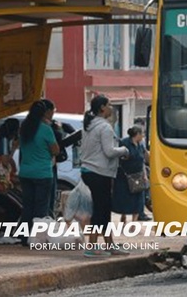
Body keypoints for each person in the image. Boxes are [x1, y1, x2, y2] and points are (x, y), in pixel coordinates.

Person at [80, 95, 129, 257]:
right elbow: (109, 151)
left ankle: (109, 245)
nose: (111, 108)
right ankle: (91, 246)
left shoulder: (89, 125)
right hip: (99, 173)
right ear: (102, 108)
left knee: (104, 209)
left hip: (89, 171)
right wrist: (124, 150)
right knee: (101, 210)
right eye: (109, 105)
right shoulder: (105, 127)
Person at [19, 101, 60, 246]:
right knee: (41, 208)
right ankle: (37, 240)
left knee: (27, 206)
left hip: (25, 172)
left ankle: (24, 238)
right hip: (42, 173)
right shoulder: (46, 129)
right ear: (44, 113)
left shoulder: (24, 127)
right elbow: (55, 150)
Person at [112, 125, 146, 224]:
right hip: (124, 176)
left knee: (138, 199)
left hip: (138, 175)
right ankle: (124, 216)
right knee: (124, 198)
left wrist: (144, 174)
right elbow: (120, 158)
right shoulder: (124, 143)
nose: (143, 136)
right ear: (137, 134)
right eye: (142, 133)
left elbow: (142, 160)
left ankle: (134, 221)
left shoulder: (140, 144)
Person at [133, 117, 152, 221]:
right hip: (140, 170)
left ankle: (139, 213)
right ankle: (140, 213)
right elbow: (144, 154)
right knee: (142, 191)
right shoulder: (140, 141)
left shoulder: (136, 140)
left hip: (141, 169)